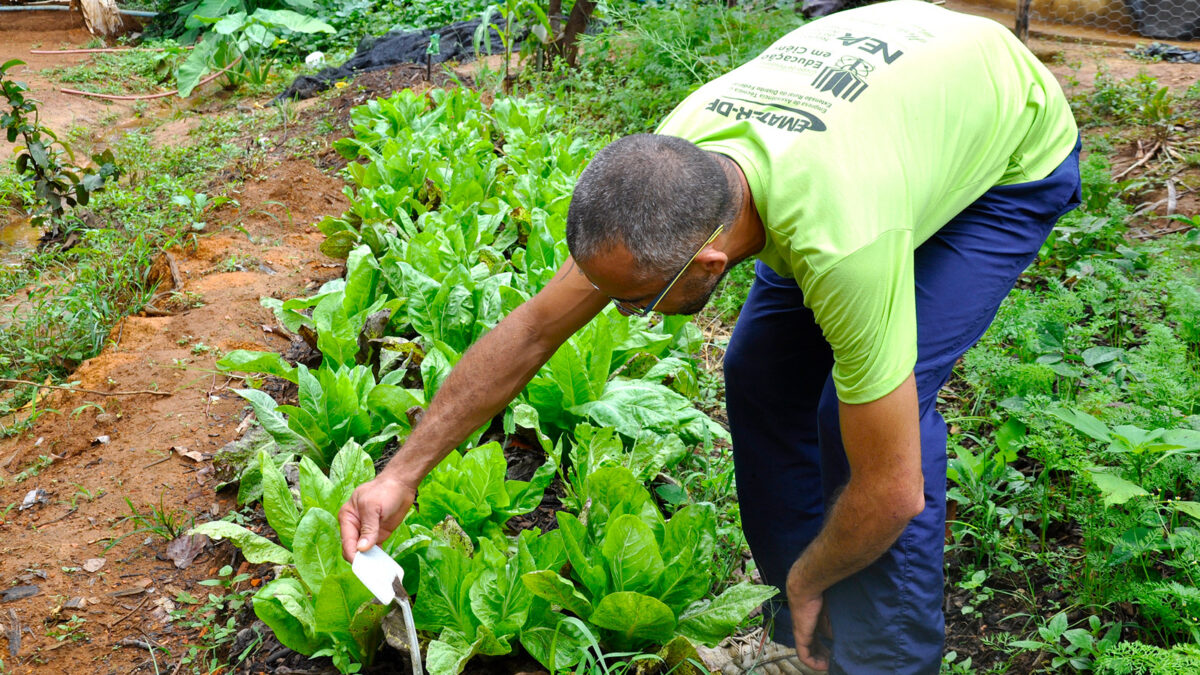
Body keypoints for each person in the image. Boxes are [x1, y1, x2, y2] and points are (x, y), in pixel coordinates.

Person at [338, 1, 1082, 672]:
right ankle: (805, 640)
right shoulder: (682, 165)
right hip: (895, 95)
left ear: (708, 262)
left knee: (863, 419)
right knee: (758, 372)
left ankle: (885, 657)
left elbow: (892, 491)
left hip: (1007, 148)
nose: (624, 314)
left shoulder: (844, 239)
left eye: (635, 301)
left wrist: (807, 573)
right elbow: (533, 330)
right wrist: (402, 472)